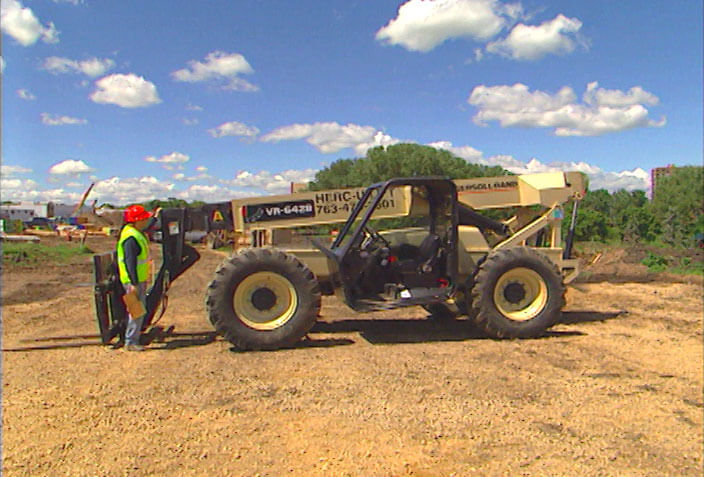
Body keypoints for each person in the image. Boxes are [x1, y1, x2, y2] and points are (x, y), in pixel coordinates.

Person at [117, 204, 158, 351]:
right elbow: (130, 262)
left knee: (139, 310)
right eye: (144, 219)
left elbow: (148, 226)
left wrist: (155, 217)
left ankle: (133, 339)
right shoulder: (131, 238)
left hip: (137, 280)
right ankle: (131, 342)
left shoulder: (134, 232)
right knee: (136, 310)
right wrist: (133, 283)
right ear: (136, 221)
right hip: (133, 281)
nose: (146, 221)